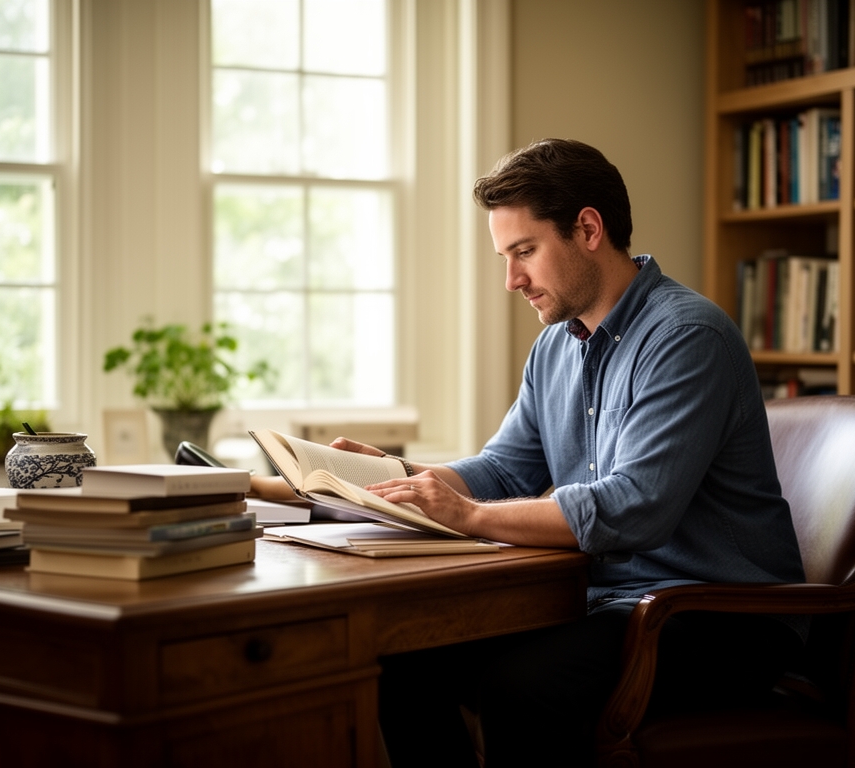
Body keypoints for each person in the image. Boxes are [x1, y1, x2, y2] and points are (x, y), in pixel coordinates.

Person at [250, 138, 807, 767]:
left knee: (522, 691)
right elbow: (504, 469)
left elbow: (632, 510)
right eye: (505, 256)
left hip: (718, 619)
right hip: (612, 604)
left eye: (524, 252)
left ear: (588, 229)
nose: (512, 279)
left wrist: (472, 517)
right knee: (403, 660)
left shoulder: (686, 337)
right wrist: (392, 478)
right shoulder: (554, 350)